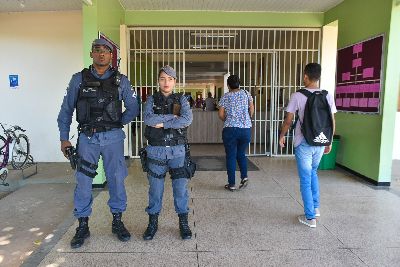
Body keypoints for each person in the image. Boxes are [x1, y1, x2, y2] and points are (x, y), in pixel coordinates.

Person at [57, 38, 139, 248]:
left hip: (113, 138)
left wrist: (119, 122)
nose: (101, 54)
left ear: (111, 56)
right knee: (84, 182)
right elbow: (66, 110)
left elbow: (133, 106)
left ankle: (117, 222)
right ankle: (83, 225)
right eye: (97, 50)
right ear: (91, 53)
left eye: (105, 51)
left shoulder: (122, 81)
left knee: (116, 179)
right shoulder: (78, 80)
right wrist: (64, 138)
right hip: (87, 138)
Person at [279, 63, 336, 228]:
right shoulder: (327, 95)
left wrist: (282, 135)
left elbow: (288, 120)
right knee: (313, 173)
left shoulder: (297, 95)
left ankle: (310, 217)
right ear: (318, 76)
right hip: (321, 140)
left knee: (305, 178)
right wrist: (329, 140)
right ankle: (315, 208)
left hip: (303, 142)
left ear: (305, 76)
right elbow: (332, 121)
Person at [142, 65, 194, 240]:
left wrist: (164, 123)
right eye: (163, 79)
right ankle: (152, 223)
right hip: (155, 151)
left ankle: (183, 223)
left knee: (180, 190)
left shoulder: (182, 100)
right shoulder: (151, 99)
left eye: (170, 79)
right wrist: (173, 118)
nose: (166, 82)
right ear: (158, 81)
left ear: (175, 82)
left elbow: (187, 120)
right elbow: (148, 119)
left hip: (178, 151)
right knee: (155, 190)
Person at [218, 75, 254, 191]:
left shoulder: (225, 97)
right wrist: (247, 119)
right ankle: (244, 177)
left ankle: (232, 184)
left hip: (230, 130)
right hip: (245, 130)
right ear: (239, 84)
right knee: (241, 154)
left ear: (228, 85)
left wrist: (227, 120)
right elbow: (252, 109)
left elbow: (221, 114)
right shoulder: (246, 94)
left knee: (231, 156)